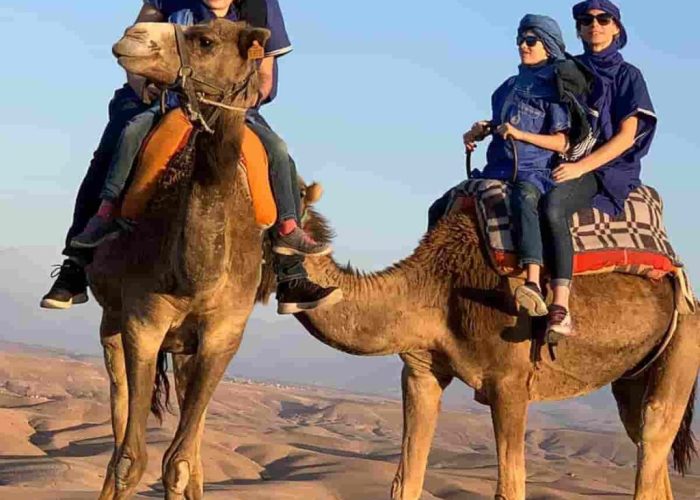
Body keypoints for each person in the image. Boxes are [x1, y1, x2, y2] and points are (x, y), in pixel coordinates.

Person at [41, 0, 339, 315]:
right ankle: (77, 262)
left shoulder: (260, 6)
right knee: (118, 141)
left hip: (229, 106)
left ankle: (290, 271)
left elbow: (265, 76)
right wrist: (143, 86)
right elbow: (133, 44)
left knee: (277, 153)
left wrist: (241, 98)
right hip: (167, 98)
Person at [541, 0, 656, 338]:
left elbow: (626, 137)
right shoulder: (565, 69)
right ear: (578, 29)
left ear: (616, 28)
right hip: (559, 156)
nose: (595, 24)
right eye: (586, 20)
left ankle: (560, 306)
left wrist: (580, 168)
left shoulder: (628, 76)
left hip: (605, 167)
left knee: (554, 205)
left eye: (603, 19)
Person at [463, 14, 572, 317]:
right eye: (520, 40)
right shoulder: (506, 88)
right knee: (443, 205)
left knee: (524, 199)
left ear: (547, 45)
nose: (523, 46)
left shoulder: (555, 90)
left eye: (531, 40)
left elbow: (562, 143)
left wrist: (521, 134)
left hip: (533, 172)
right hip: (496, 169)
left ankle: (533, 281)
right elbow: (500, 124)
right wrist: (479, 132)